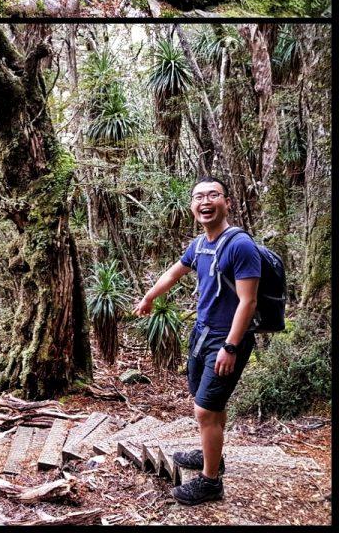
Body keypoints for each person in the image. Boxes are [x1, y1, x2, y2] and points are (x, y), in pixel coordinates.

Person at [133, 177, 261, 506]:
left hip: (226, 338)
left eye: (213, 195)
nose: (205, 201)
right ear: (193, 207)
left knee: (204, 409)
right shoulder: (199, 245)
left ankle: (210, 481)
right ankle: (213, 457)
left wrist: (231, 346)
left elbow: (248, 302)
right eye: (198, 197)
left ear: (227, 202)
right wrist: (149, 297)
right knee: (209, 404)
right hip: (202, 334)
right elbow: (174, 274)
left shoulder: (240, 246)